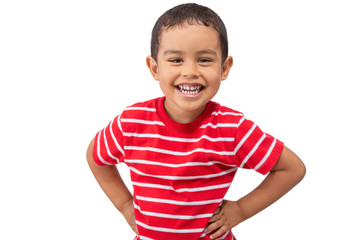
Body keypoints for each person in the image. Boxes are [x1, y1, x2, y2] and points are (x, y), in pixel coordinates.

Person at [86, 3, 306, 240]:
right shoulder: (131, 123)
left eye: (203, 60)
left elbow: (292, 169)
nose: (190, 71)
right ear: (154, 67)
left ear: (224, 68)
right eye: (176, 60)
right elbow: (96, 157)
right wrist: (125, 205)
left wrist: (240, 210)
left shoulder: (232, 129)